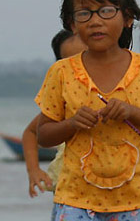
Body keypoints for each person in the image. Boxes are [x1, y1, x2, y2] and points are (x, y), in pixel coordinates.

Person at [36, 0, 140, 221]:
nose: (95, 20)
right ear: (72, 23)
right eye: (84, 13)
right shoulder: (61, 72)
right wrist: (71, 124)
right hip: (75, 200)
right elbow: (44, 135)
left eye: (106, 10)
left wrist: (133, 112)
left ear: (127, 17)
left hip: (137, 199)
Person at [22, 30, 87, 198]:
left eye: (86, 59)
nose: (81, 70)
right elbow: (30, 132)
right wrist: (34, 170)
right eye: (72, 64)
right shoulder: (65, 101)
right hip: (69, 188)